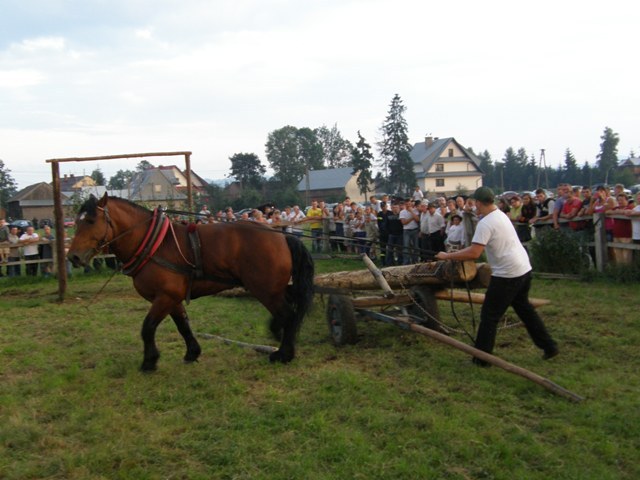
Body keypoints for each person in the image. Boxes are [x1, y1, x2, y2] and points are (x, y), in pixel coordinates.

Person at [435, 186, 558, 365]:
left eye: (473, 203)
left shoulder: (486, 223)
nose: (473, 207)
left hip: (507, 274)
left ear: (478, 202)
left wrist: (448, 256)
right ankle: (549, 346)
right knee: (525, 309)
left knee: (489, 316)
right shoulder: (500, 215)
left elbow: (474, 252)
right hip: (523, 268)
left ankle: (482, 359)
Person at [399, 198, 420, 264]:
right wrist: (412, 218)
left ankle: (415, 260)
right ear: (405, 204)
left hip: (415, 230)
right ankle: (406, 261)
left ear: (411, 203)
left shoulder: (415, 211)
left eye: (409, 204)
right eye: (406, 204)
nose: (408, 205)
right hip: (406, 231)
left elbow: (417, 220)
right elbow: (404, 222)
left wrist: (411, 212)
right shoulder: (402, 212)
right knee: (406, 247)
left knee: (416, 247)